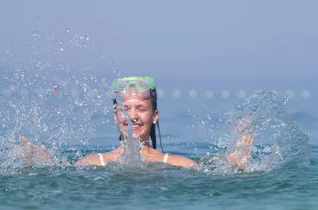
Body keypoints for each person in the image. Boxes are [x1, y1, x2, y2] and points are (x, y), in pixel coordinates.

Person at [18, 76, 253, 170]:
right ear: (115, 116)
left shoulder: (179, 164)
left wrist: (235, 168)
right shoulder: (91, 163)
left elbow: (211, 182)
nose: (132, 117)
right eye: (125, 109)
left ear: (155, 115)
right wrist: (43, 164)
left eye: (141, 109)